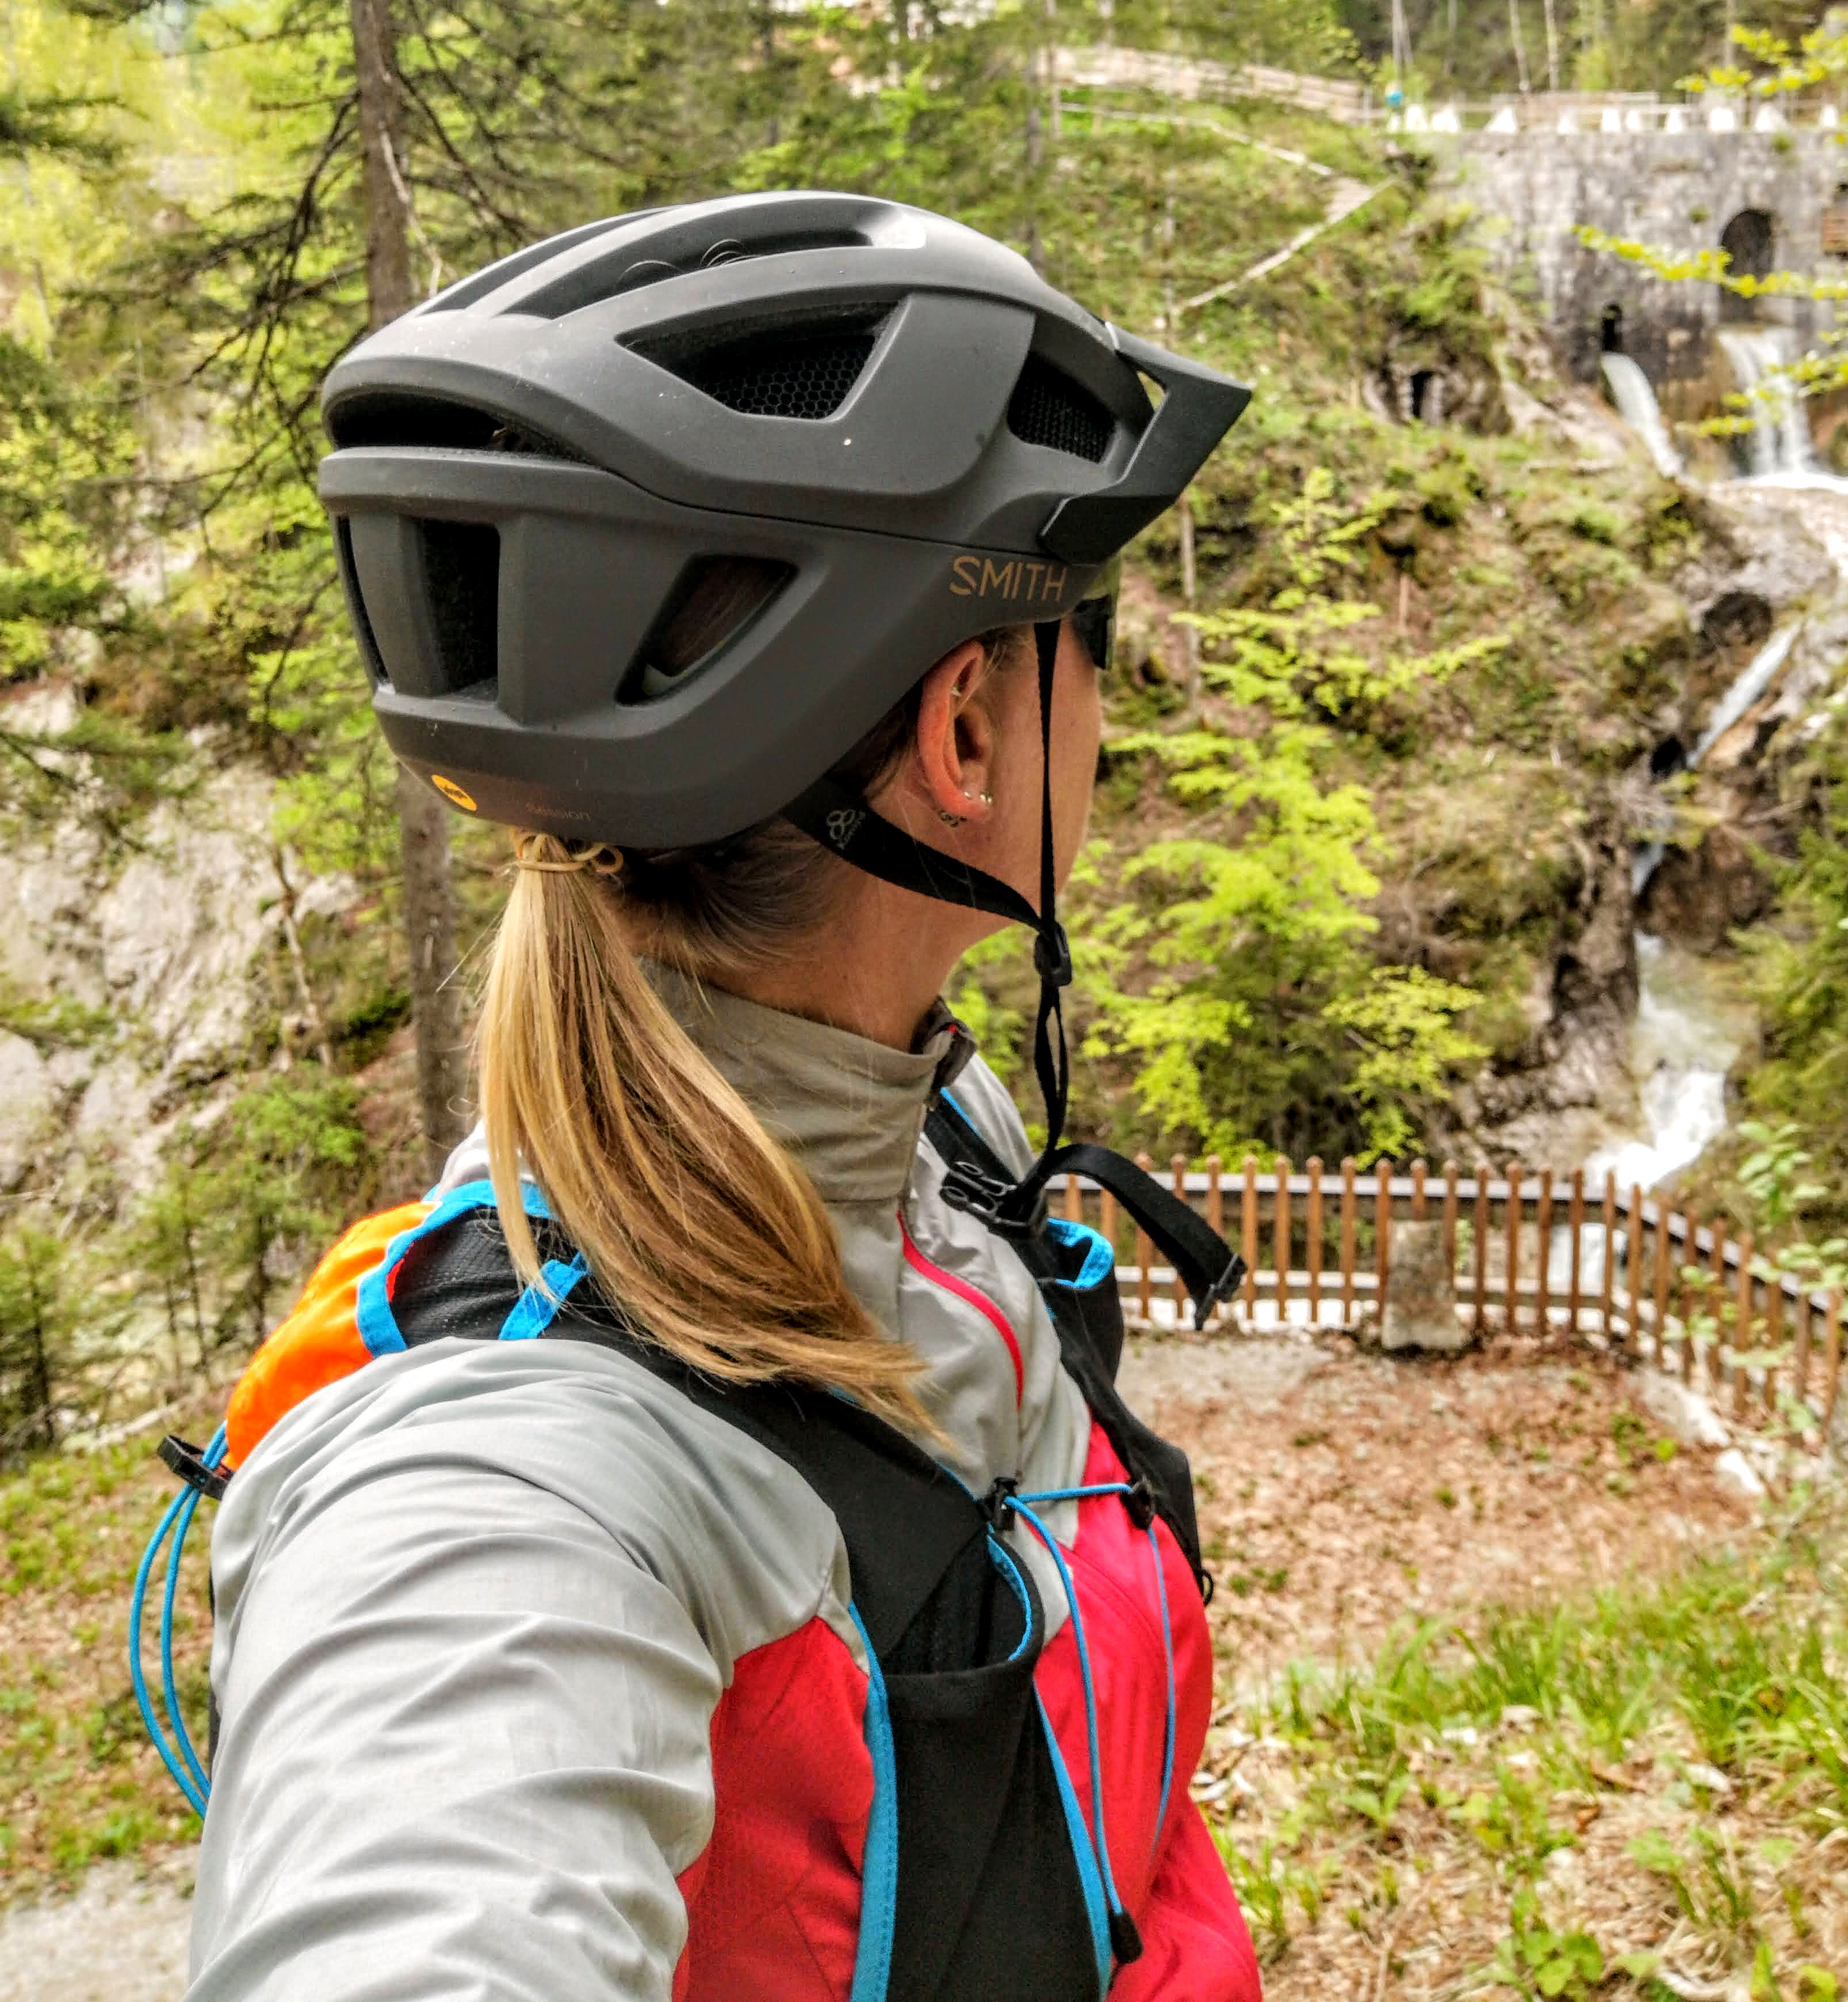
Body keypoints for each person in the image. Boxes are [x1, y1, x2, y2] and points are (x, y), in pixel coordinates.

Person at [180, 191, 1261, 2001]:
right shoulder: (507, 1494)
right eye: (1095, 635)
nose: (1113, 703)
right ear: (967, 730)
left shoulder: (941, 1144)